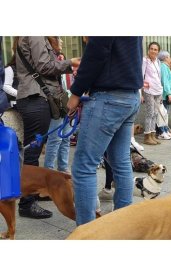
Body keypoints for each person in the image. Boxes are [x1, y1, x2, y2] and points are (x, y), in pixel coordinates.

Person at [67, 36, 143, 225]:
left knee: (84, 166)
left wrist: (76, 92)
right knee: (121, 162)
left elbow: (95, 53)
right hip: (130, 95)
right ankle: (122, 225)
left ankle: (86, 234)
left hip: (109, 98)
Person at [16, 36, 79, 219]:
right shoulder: (35, 34)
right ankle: (27, 203)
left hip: (36, 98)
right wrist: (71, 63)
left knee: (34, 150)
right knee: (32, 152)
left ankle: (33, 195)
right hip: (35, 98)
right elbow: (44, 66)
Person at [43, 37, 71, 173]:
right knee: (55, 139)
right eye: (59, 38)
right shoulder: (48, 59)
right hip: (54, 103)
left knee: (66, 138)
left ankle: (63, 169)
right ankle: (48, 171)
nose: (62, 41)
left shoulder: (58, 58)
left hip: (64, 101)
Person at [142, 42, 163, 145]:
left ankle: (153, 135)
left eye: (155, 49)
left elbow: (159, 77)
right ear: (148, 49)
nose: (153, 51)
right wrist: (141, 92)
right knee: (149, 113)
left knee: (155, 113)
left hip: (158, 90)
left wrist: (161, 91)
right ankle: (147, 137)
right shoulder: (145, 60)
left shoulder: (158, 62)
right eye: (151, 49)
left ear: (158, 51)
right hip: (149, 90)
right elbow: (142, 76)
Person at [157, 50, 171, 140]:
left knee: (165, 114)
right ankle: (161, 132)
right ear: (165, 58)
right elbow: (165, 81)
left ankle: (165, 130)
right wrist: (169, 93)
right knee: (163, 114)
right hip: (164, 95)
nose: (170, 58)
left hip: (166, 94)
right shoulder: (163, 67)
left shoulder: (166, 67)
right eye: (168, 57)